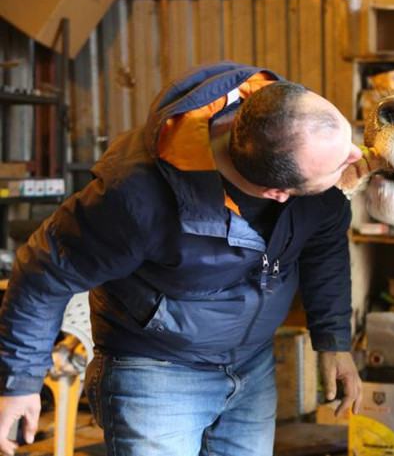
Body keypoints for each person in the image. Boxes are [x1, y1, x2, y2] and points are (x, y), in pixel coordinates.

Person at [0, 62, 364, 455]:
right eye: (340, 159)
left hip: (253, 365)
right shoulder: (134, 198)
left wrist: (333, 340)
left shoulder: (310, 149)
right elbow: (45, 272)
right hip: (156, 372)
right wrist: (20, 382)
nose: (357, 156)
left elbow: (323, 244)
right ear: (277, 192)